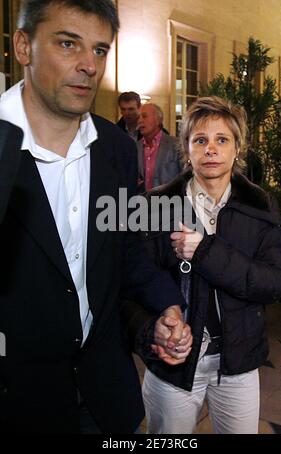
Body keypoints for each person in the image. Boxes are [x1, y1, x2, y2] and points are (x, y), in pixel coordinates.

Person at [0, 0, 190, 434]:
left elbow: (129, 252)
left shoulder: (118, 150)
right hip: (17, 406)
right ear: (23, 46)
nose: (89, 65)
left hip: (107, 397)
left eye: (100, 50)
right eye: (69, 44)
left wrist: (166, 306)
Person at [132, 96, 281, 434]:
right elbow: (131, 284)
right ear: (186, 149)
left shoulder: (259, 207)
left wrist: (205, 251)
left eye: (222, 139)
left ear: (237, 149)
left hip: (237, 363)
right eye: (200, 140)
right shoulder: (155, 206)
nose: (211, 149)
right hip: (172, 365)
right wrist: (153, 330)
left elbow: (276, 282)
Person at [137, 103, 182, 191]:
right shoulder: (135, 147)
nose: (140, 121)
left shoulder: (176, 145)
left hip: (171, 201)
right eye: (138, 117)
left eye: (144, 116)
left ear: (158, 120)